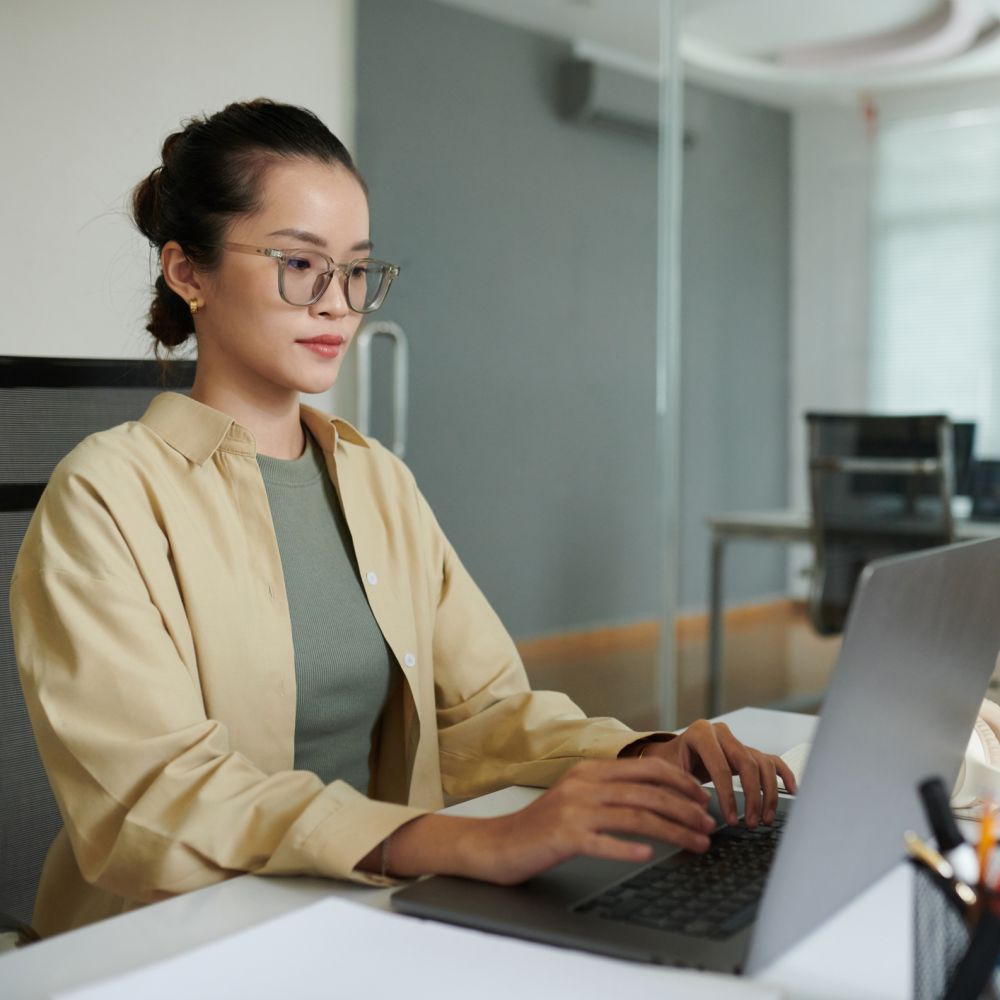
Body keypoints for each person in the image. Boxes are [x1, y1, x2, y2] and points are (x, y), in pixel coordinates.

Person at [10, 99, 795, 938]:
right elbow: (156, 797)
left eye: (355, 270)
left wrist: (644, 755)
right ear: (187, 272)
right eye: (298, 263)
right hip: (167, 940)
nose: (337, 305)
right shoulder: (105, 495)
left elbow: (482, 714)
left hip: (363, 909)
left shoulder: (376, 480)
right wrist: (465, 842)